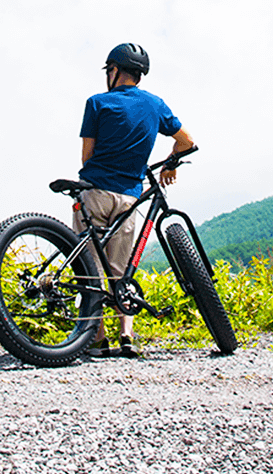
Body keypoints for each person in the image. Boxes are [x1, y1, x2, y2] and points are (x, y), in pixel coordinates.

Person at [74, 42, 195, 358]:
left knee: (90, 268)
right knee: (121, 270)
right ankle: (126, 335)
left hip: (95, 192)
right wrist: (170, 163)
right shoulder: (155, 104)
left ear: (114, 70)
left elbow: (87, 156)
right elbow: (186, 141)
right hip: (130, 199)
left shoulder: (97, 103)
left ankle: (97, 339)